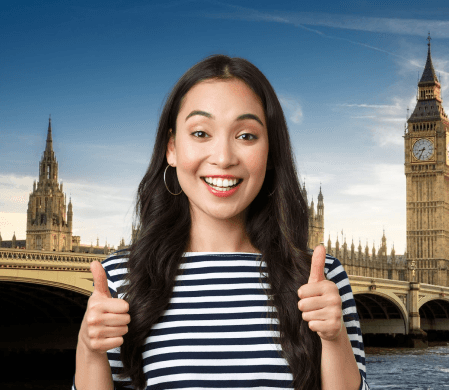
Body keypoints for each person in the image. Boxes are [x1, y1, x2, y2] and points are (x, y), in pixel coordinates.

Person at [74, 55, 369, 390]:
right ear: (171, 147)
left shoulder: (321, 277)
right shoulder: (121, 278)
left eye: (246, 136)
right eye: (201, 133)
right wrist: (88, 349)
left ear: (271, 152)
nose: (224, 158)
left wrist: (333, 339)